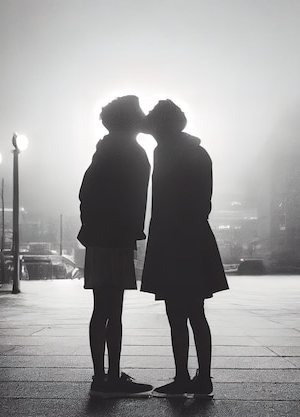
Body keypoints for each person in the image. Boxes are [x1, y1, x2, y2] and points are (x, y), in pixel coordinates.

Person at [140, 99, 229, 398]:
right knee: (194, 312)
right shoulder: (193, 151)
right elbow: (203, 202)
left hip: (174, 239)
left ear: (162, 126)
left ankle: (184, 377)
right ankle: (201, 377)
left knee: (177, 314)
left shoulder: (166, 151)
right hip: (191, 238)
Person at [78, 95, 153, 399]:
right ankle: (112, 374)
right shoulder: (133, 152)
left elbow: (85, 193)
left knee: (100, 309)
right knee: (115, 310)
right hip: (118, 238)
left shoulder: (104, 150)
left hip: (98, 238)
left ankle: (100, 376)